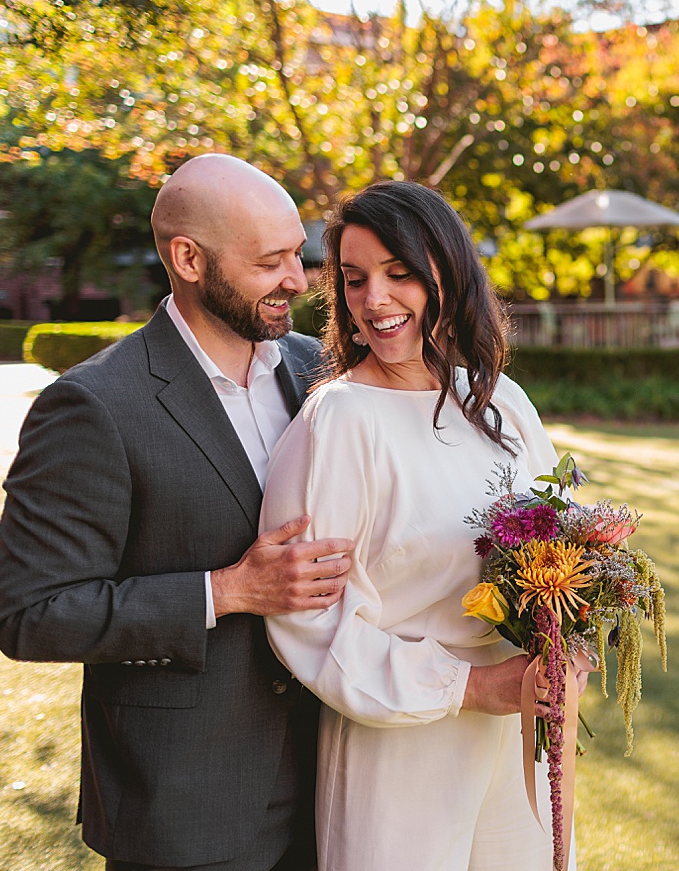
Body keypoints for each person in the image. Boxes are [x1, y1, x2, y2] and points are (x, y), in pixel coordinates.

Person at [0, 154, 354, 871]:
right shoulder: (93, 405)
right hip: (185, 810)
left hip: (335, 790)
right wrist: (226, 592)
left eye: (299, 255)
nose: (298, 279)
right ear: (188, 259)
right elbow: (30, 614)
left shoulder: (321, 373)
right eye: (271, 260)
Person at [262, 181, 582, 871]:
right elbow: (309, 621)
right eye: (354, 279)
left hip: (519, 740)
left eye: (398, 273)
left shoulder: (502, 403)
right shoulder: (339, 420)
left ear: (449, 271)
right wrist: (467, 688)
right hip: (399, 745)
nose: (373, 299)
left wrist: (571, 647)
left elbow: (565, 549)